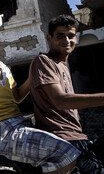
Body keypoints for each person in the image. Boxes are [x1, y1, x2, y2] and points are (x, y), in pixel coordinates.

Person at [0, 25, 80, 174]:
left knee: (73, 141)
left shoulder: (4, 68)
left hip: (21, 122)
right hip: (1, 133)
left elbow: (17, 97)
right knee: (66, 152)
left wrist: (33, 76)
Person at [29, 14, 104, 173]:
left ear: (76, 38)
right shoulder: (44, 61)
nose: (67, 40)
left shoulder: (63, 65)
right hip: (62, 138)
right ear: (49, 38)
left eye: (70, 36)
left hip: (77, 136)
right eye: (60, 36)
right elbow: (60, 101)